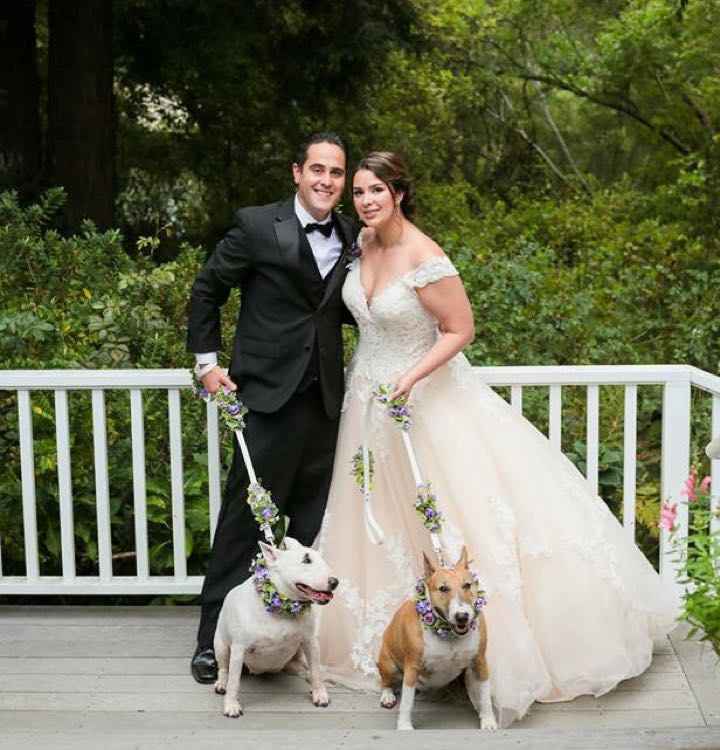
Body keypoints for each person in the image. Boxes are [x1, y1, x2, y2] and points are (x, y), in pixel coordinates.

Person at [316, 152, 677, 726]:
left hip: (425, 399)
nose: (364, 200)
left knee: (454, 512)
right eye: (358, 191)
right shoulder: (361, 245)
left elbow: (460, 329)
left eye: (376, 190)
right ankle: (403, 643)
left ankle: (478, 650)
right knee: (379, 519)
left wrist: (408, 379)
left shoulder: (424, 254)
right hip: (368, 404)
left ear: (400, 193)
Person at [186, 132, 358, 683]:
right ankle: (212, 641)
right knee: (245, 522)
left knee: (310, 525)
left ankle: (289, 644)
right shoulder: (259, 226)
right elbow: (208, 290)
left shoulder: (354, 233)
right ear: (296, 172)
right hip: (265, 399)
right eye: (317, 170)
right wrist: (207, 365)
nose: (326, 180)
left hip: (328, 404)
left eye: (336, 172)